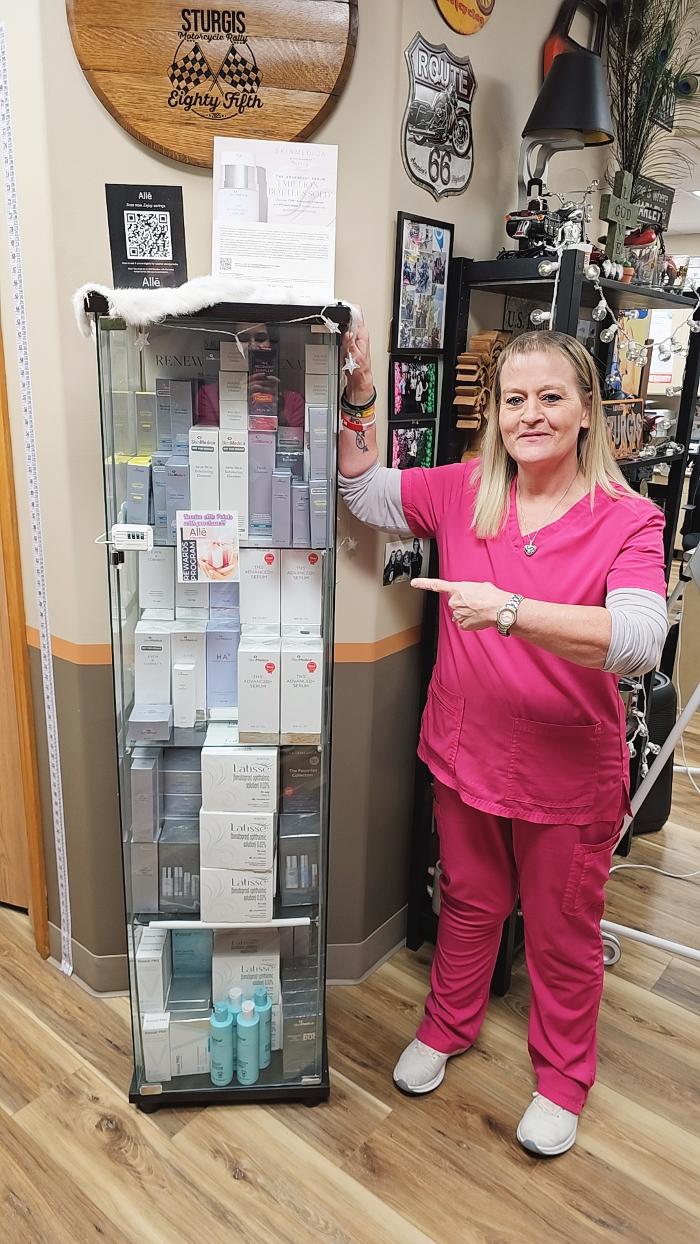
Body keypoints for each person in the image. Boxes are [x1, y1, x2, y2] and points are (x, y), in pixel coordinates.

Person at [337, 320, 667, 1158]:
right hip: (465, 752)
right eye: (513, 399)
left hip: (566, 772)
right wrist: (362, 394)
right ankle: (447, 1024)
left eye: (551, 397)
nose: (531, 415)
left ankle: (562, 1079)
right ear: (495, 414)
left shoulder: (629, 519)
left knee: (561, 935)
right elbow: (365, 493)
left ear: (586, 411)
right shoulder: (463, 490)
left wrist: (509, 611)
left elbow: (637, 641)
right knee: (469, 901)